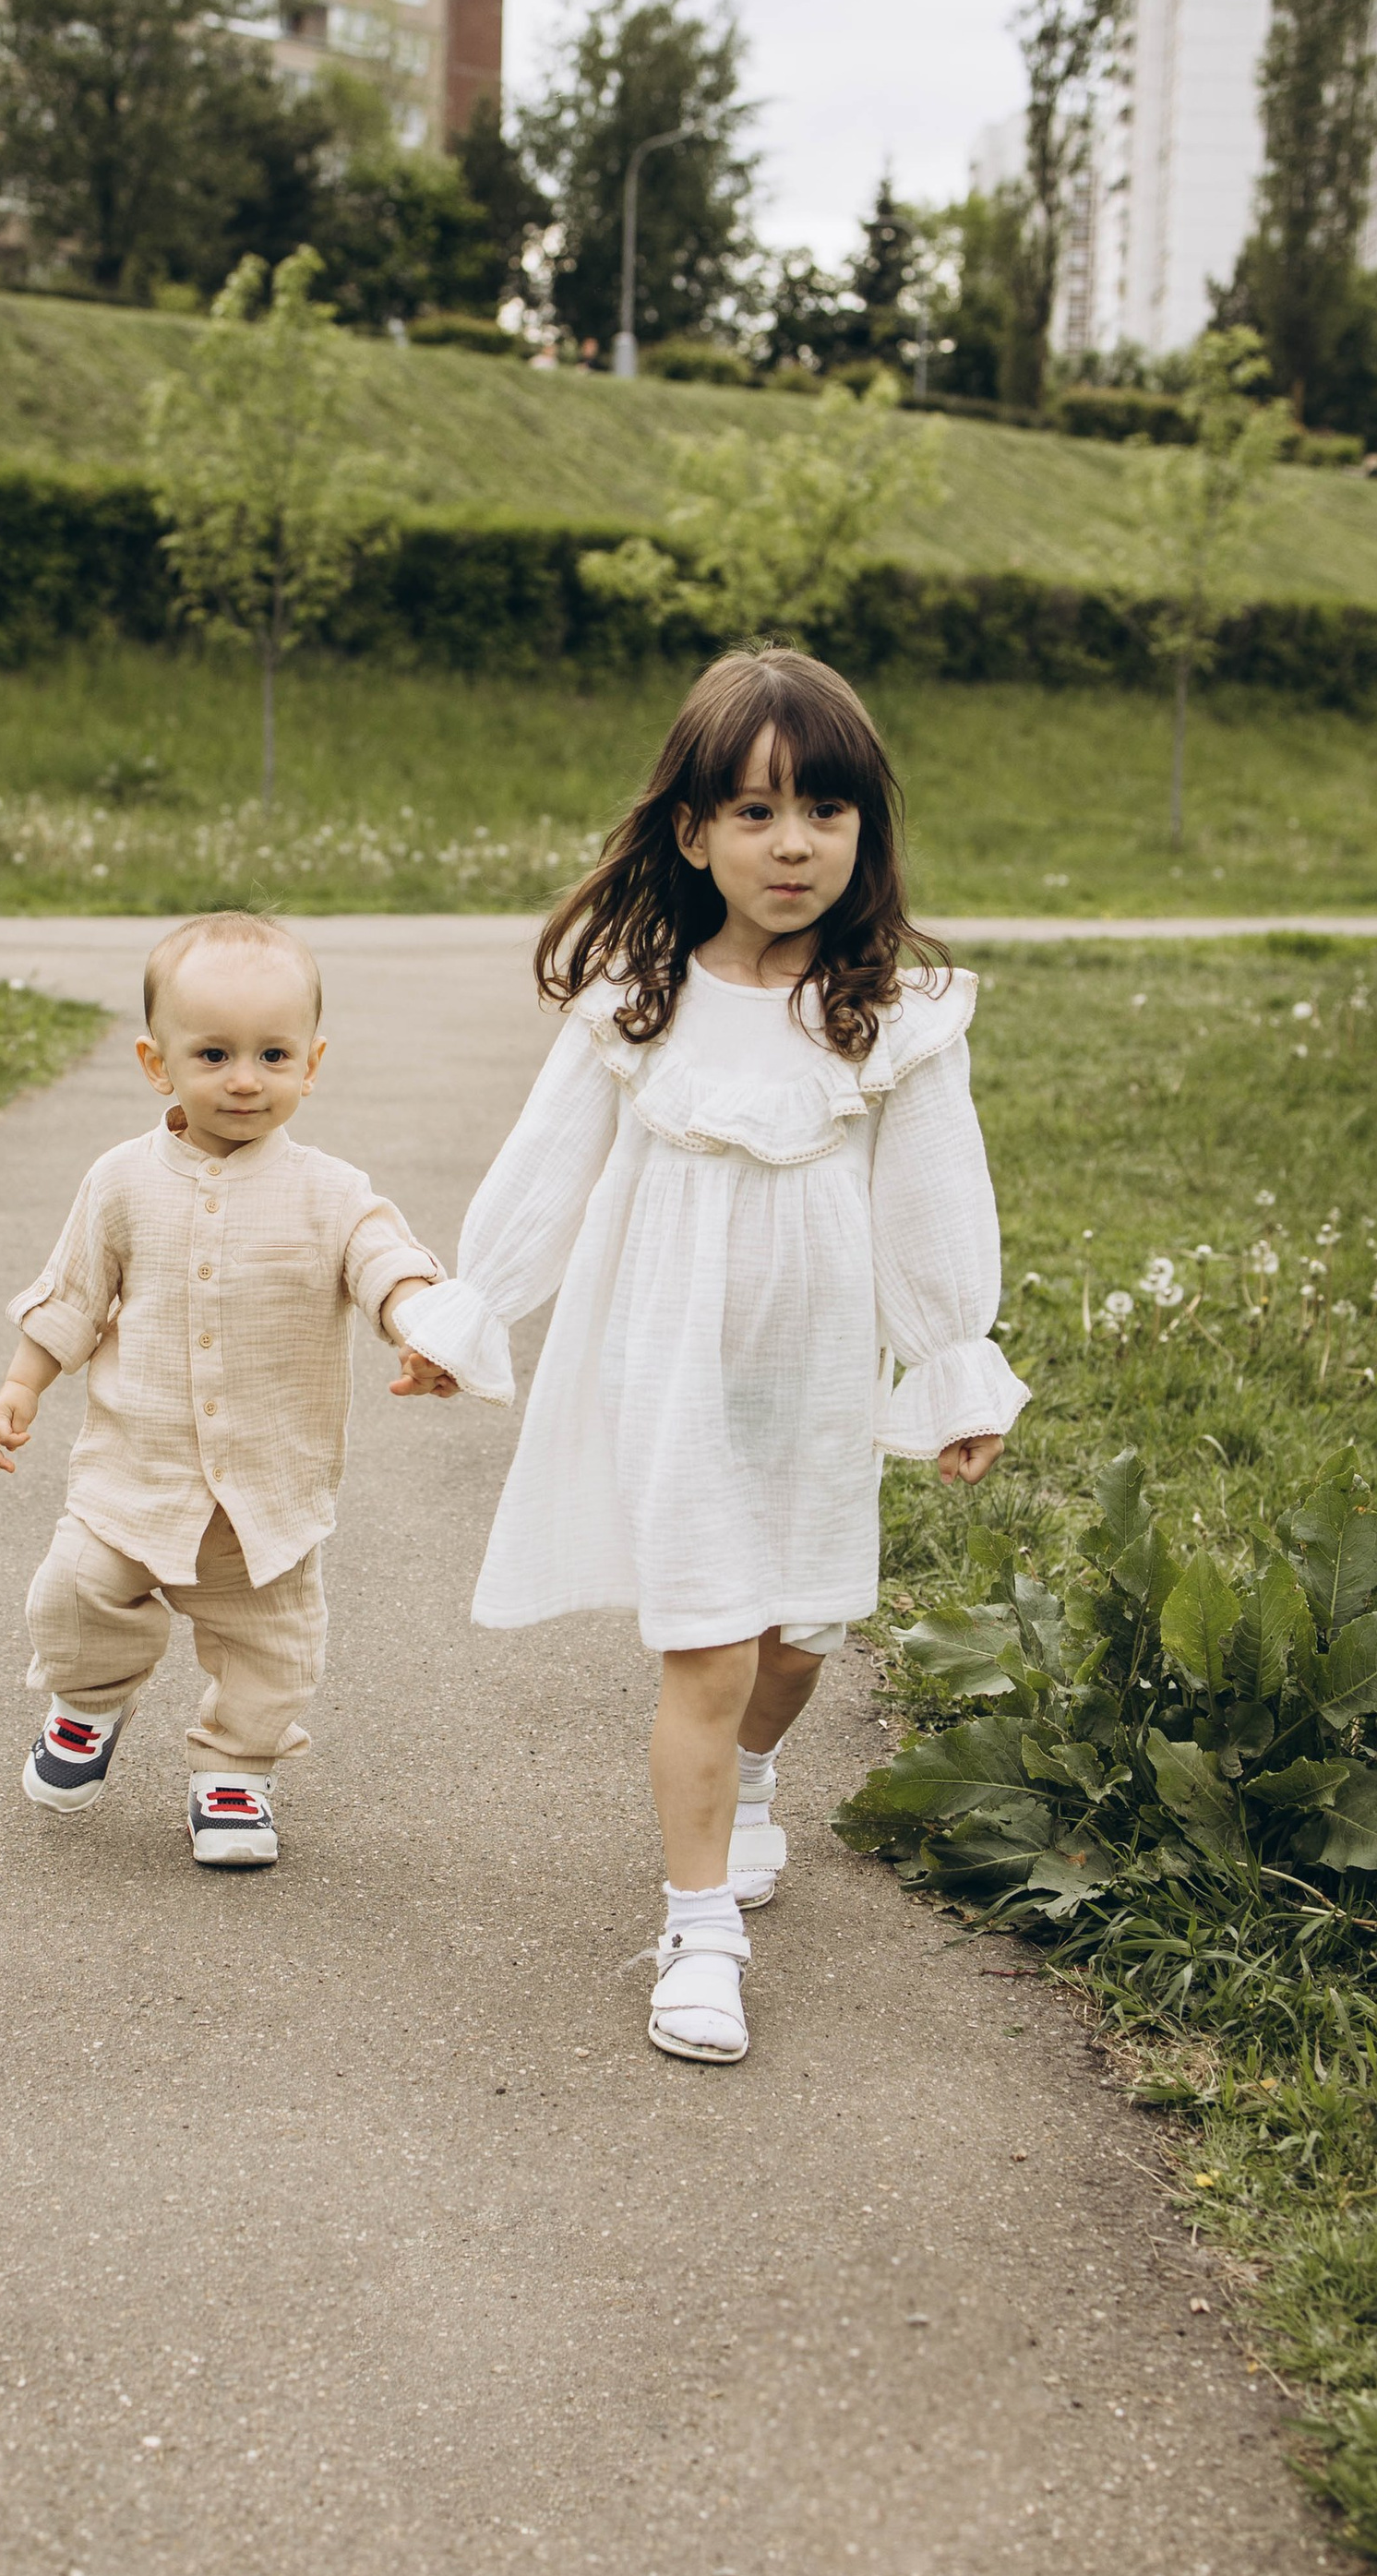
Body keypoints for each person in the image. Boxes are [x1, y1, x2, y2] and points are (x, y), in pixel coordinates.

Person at [395, 646, 1026, 2065]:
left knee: (797, 1639)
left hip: (810, 1377)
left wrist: (948, 1366)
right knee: (705, 1643)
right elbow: (549, 1165)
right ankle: (699, 1932)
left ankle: (750, 1780)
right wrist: (472, 1309)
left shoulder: (895, 1020)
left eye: (824, 812)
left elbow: (934, 1201)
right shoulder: (639, 1002)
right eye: (753, 813)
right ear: (693, 833)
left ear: (866, 832)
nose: (791, 843)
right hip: (666, 1372)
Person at [0, 910, 456, 1871]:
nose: (245, 1079)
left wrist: (419, 1324)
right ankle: (87, 1703)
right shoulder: (119, 1182)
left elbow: (386, 1261)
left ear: (311, 1064)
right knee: (74, 1594)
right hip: (130, 1473)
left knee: (270, 1647)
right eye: (215, 1054)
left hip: (265, 1493)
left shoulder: (331, 1191)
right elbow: (73, 1291)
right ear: (158, 1064)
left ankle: (234, 1771)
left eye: (273, 1055)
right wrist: (22, 1384)